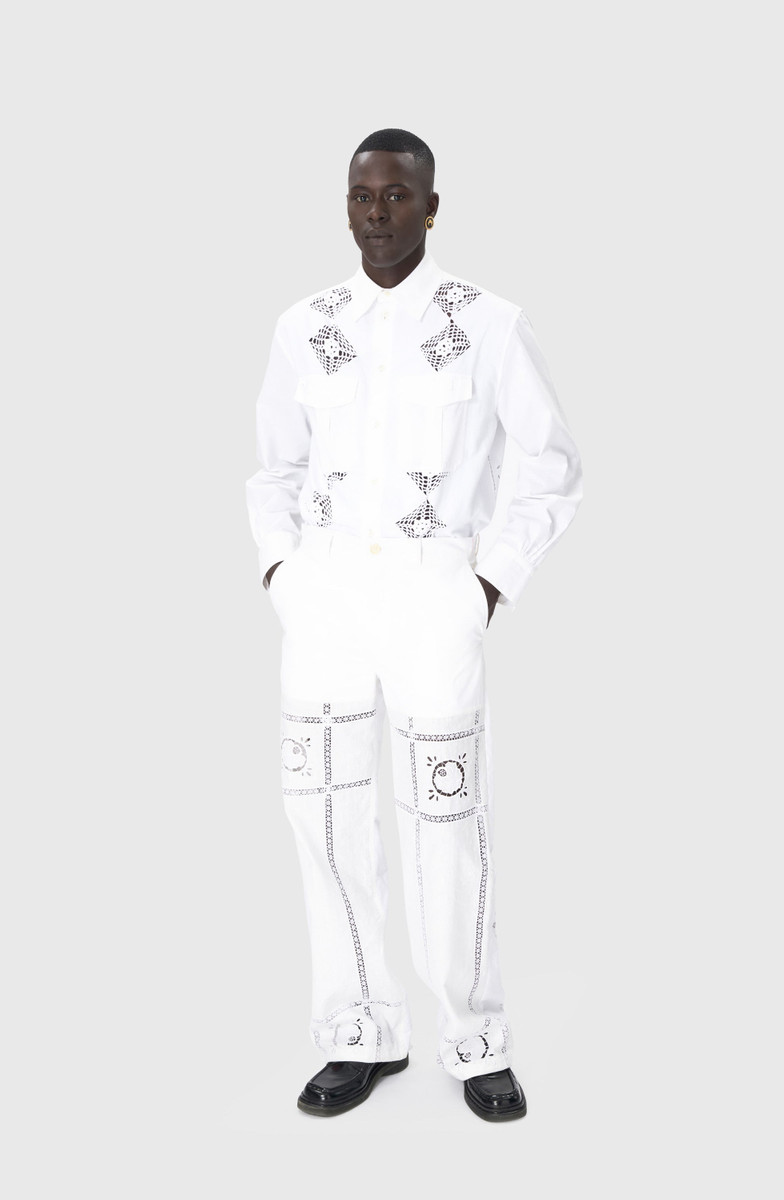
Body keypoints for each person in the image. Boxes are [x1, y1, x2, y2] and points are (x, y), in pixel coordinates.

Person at [245, 128, 583, 1122]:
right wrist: (282, 574)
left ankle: (474, 1040)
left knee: (449, 821)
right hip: (325, 608)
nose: (378, 213)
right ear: (345, 206)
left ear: (432, 207)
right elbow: (273, 468)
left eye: (398, 196)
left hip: (435, 601)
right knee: (326, 820)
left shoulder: (487, 324)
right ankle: (358, 1033)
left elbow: (552, 464)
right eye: (363, 195)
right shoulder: (305, 327)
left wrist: (486, 584)